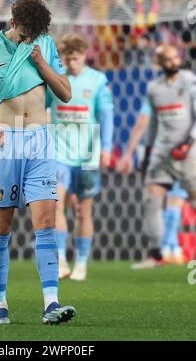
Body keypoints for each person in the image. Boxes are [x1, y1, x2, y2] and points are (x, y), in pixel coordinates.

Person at [0, 0, 76, 325]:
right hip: (5, 139)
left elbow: (65, 92)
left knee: (45, 224)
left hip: (40, 141)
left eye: (37, 33)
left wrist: (43, 64)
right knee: (1, 228)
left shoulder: (44, 45)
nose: (32, 38)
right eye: (27, 32)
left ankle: (51, 304)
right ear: (13, 22)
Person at [118, 45, 196, 269]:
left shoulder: (189, 81)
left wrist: (189, 143)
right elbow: (151, 125)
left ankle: (169, 249)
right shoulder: (154, 88)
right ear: (160, 64)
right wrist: (147, 154)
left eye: (175, 57)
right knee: (152, 198)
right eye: (168, 59)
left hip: (188, 153)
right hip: (162, 153)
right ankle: (156, 254)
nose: (174, 62)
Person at [46, 34, 114, 280]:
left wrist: (106, 148)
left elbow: (106, 116)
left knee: (84, 212)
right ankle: (62, 260)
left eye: (75, 59)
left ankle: (82, 263)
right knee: (56, 206)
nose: (71, 63)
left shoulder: (97, 81)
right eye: (67, 58)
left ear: (84, 57)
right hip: (58, 154)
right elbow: (43, 108)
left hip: (87, 156)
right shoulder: (55, 80)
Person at [117, 98, 187, 266]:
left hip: (159, 152)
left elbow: (142, 123)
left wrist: (128, 153)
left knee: (159, 202)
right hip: (184, 152)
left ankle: (164, 249)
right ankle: (173, 249)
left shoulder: (155, 93)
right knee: (175, 201)